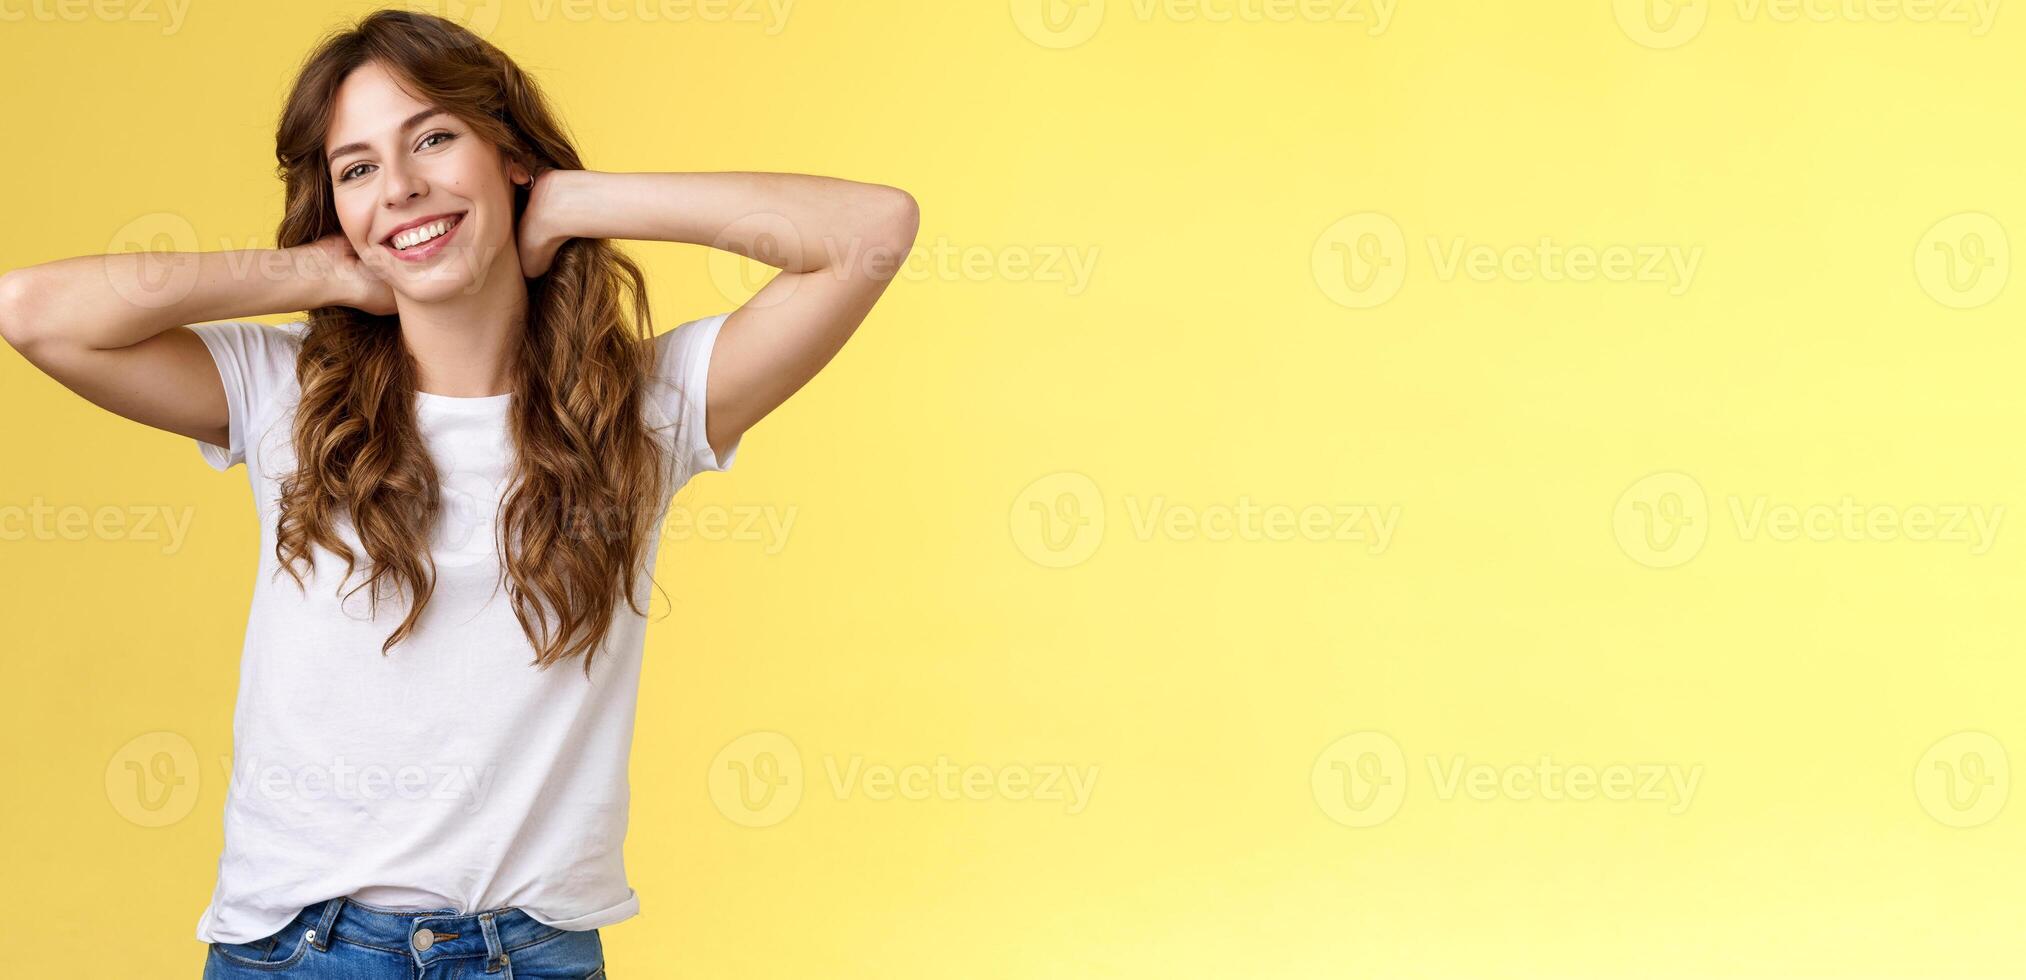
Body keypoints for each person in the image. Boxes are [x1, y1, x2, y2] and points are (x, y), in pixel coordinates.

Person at [0, 9, 917, 977]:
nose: (398, 188)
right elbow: (33, 311)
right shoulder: (288, 393)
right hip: (300, 952)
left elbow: (871, 231)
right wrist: (311, 271)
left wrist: (574, 202)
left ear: (508, 154)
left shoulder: (642, 409)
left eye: (433, 137)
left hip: (531, 952)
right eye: (355, 170)